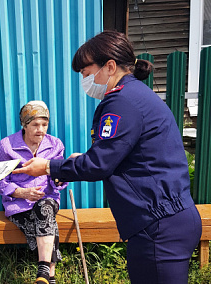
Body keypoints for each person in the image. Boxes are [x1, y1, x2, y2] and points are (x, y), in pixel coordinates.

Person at [13, 31, 202, 284]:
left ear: (109, 66)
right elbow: (125, 154)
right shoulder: (136, 96)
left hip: (158, 225)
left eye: (86, 72)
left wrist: (47, 166)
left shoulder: (122, 102)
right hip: (165, 218)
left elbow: (99, 164)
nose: (84, 79)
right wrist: (84, 158)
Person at [0, 101, 68, 284]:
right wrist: (21, 192)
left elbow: (59, 180)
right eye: (35, 124)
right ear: (24, 124)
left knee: (44, 209)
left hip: (47, 199)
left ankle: (42, 271)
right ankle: (50, 277)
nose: (40, 130)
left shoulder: (55, 145)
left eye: (44, 124)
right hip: (18, 204)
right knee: (47, 222)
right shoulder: (6, 146)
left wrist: (60, 178)